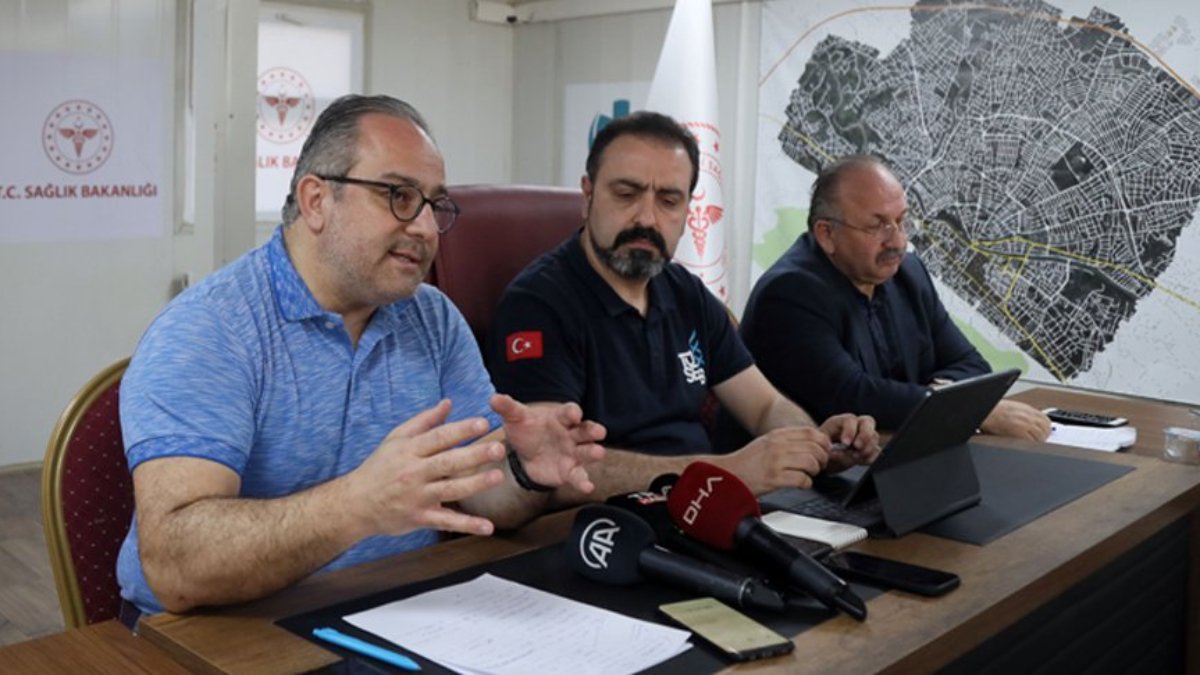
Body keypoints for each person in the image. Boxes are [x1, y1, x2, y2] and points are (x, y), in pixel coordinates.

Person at [115, 95, 606, 616]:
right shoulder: (209, 329)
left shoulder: (432, 317)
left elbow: (481, 495)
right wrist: (358, 505)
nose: (425, 228)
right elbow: (176, 568)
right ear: (315, 200)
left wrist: (525, 472)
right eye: (398, 195)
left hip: (392, 613)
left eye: (434, 205)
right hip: (217, 634)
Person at [488, 111, 879, 503]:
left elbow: (765, 406)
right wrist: (730, 471)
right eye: (626, 195)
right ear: (587, 195)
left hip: (704, 506)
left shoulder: (685, 291)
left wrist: (813, 445)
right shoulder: (537, 305)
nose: (647, 217)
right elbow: (554, 469)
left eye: (669, 201)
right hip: (608, 521)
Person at [740, 155, 1050, 440]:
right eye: (877, 226)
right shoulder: (789, 293)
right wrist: (966, 408)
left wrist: (934, 395)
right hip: (812, 470)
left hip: (897, 454)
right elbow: (853, 396)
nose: (898, 241)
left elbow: (971, 364)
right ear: (826, 234)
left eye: (901, 221)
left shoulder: (908, 274)